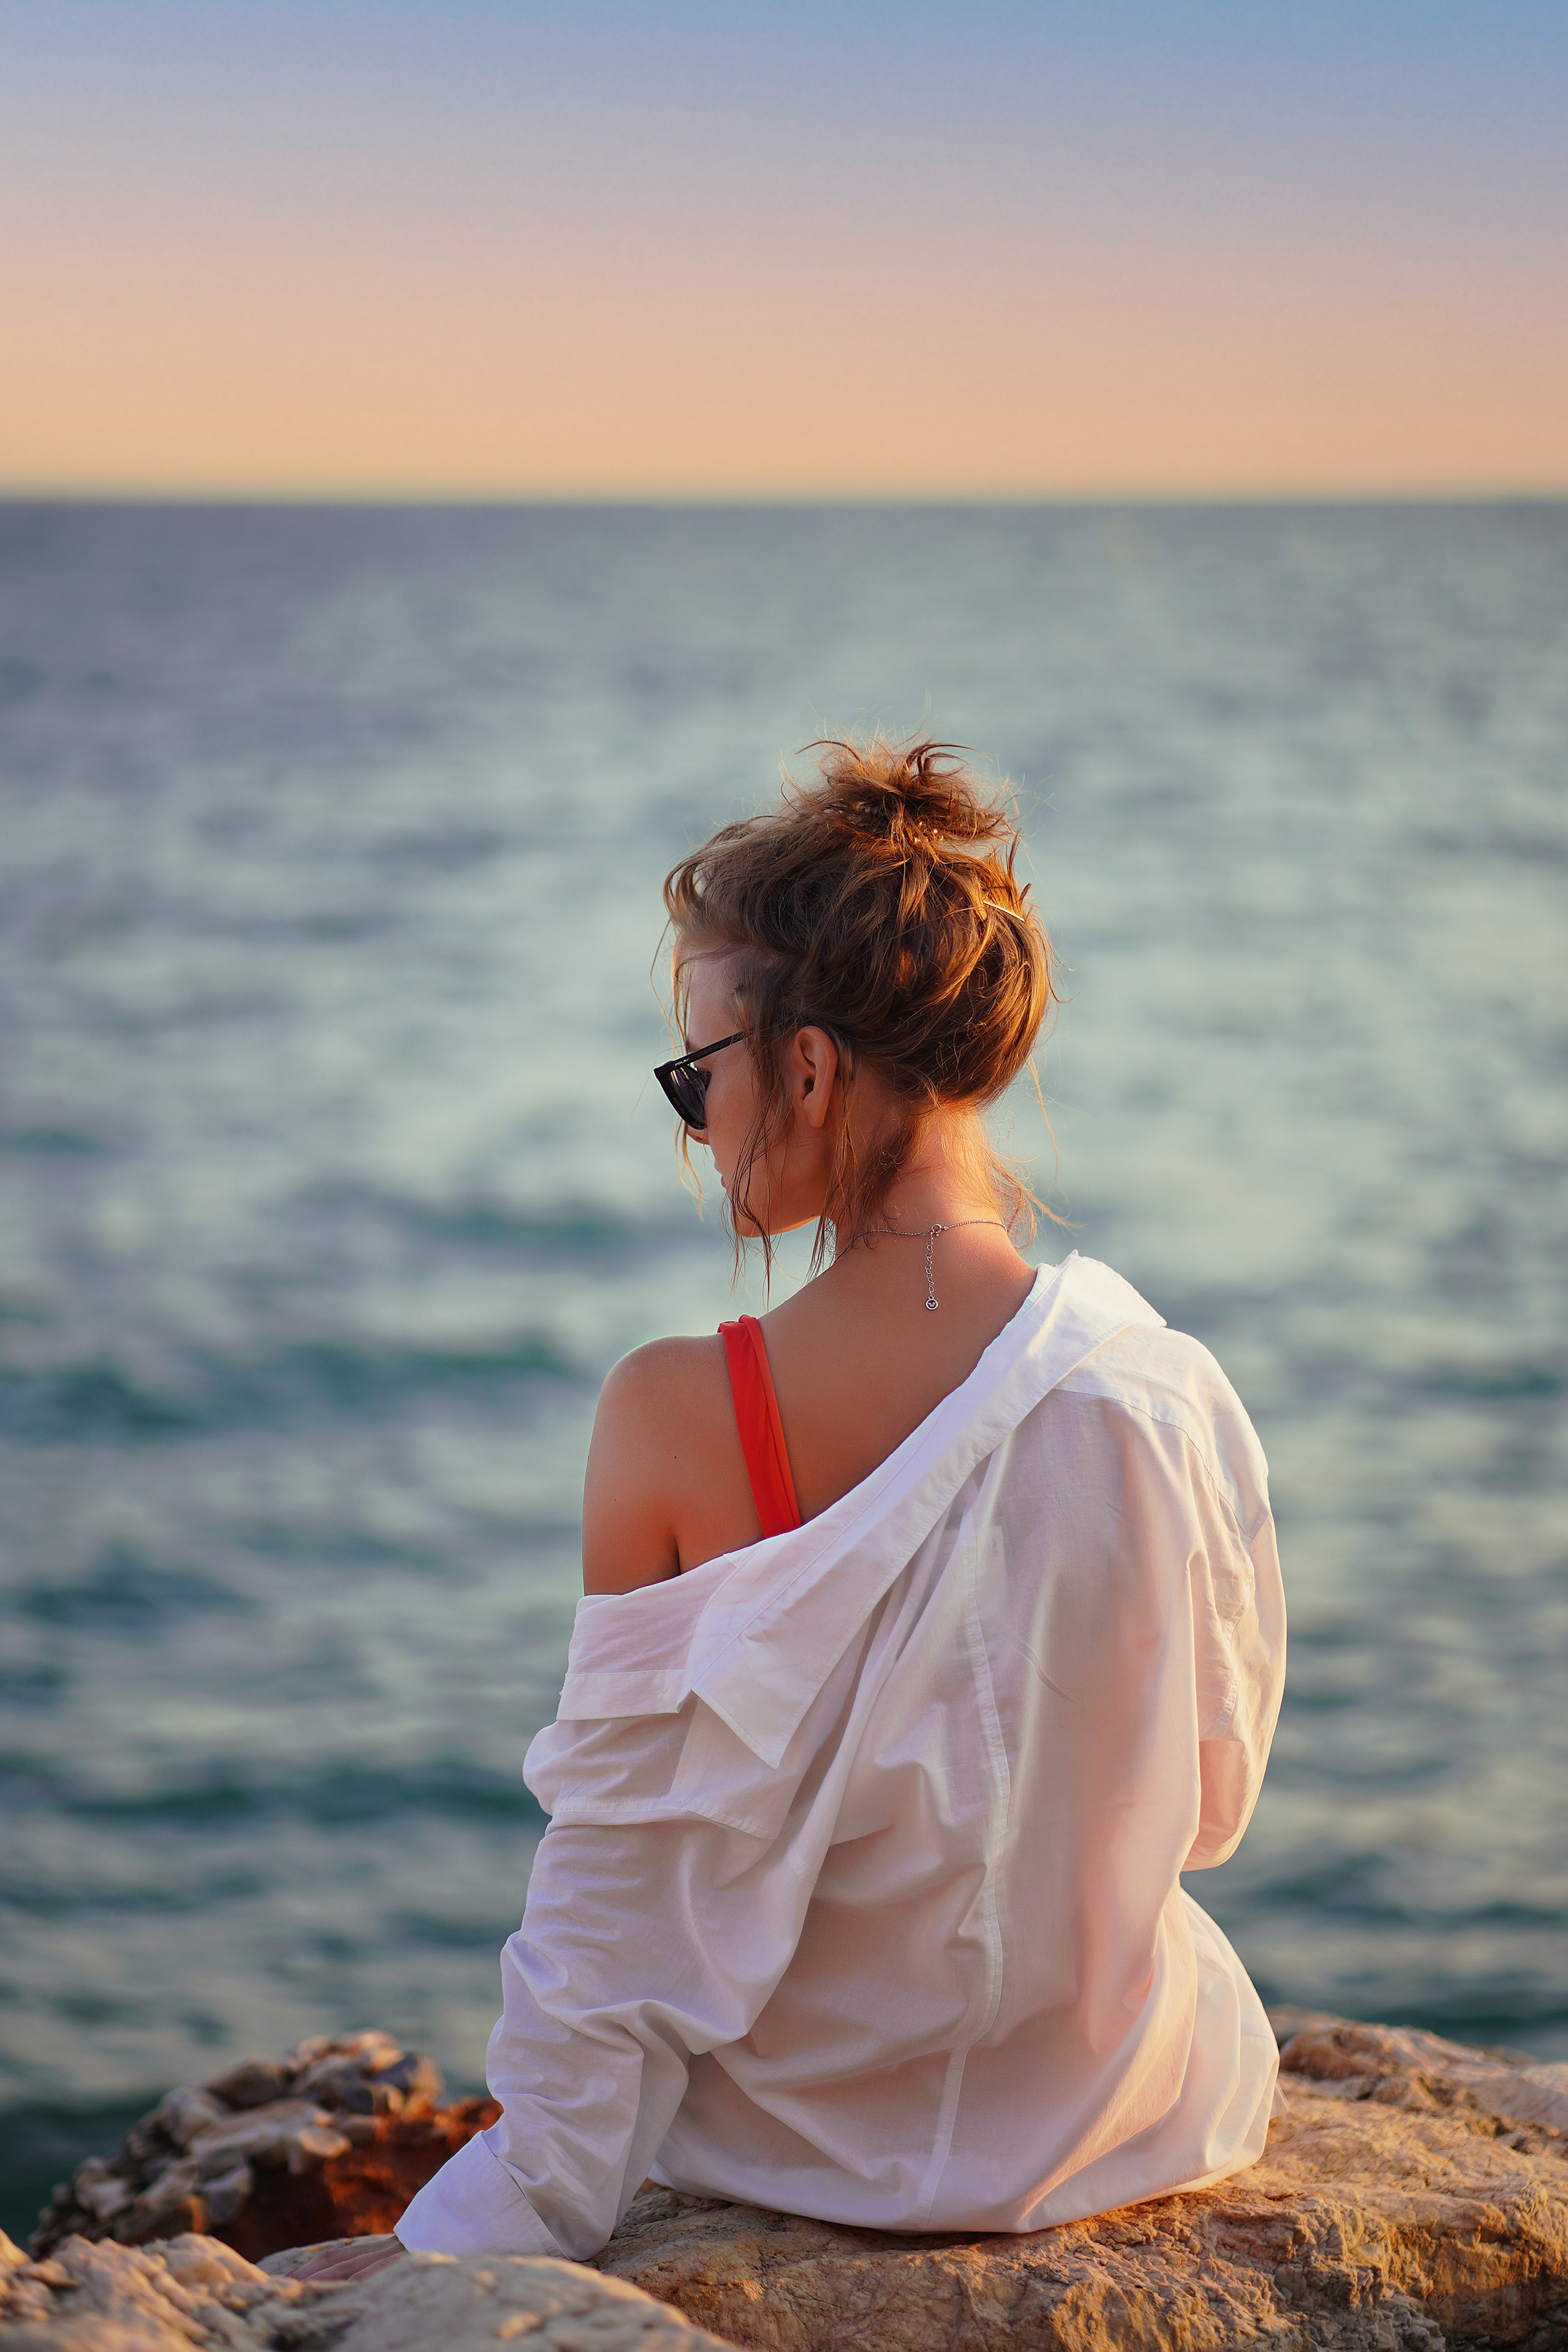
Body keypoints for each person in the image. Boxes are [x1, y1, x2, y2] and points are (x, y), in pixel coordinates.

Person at [296, 736, 1285, 2283]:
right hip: (1129, 2116)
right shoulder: (1165, 1390)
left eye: (697, 1076)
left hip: (808, 2149)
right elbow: (1211, 1807)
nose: (690, 1122)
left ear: (808, 1069)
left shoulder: (681, 1414)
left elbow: (613, 1917)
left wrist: (476, 2249)